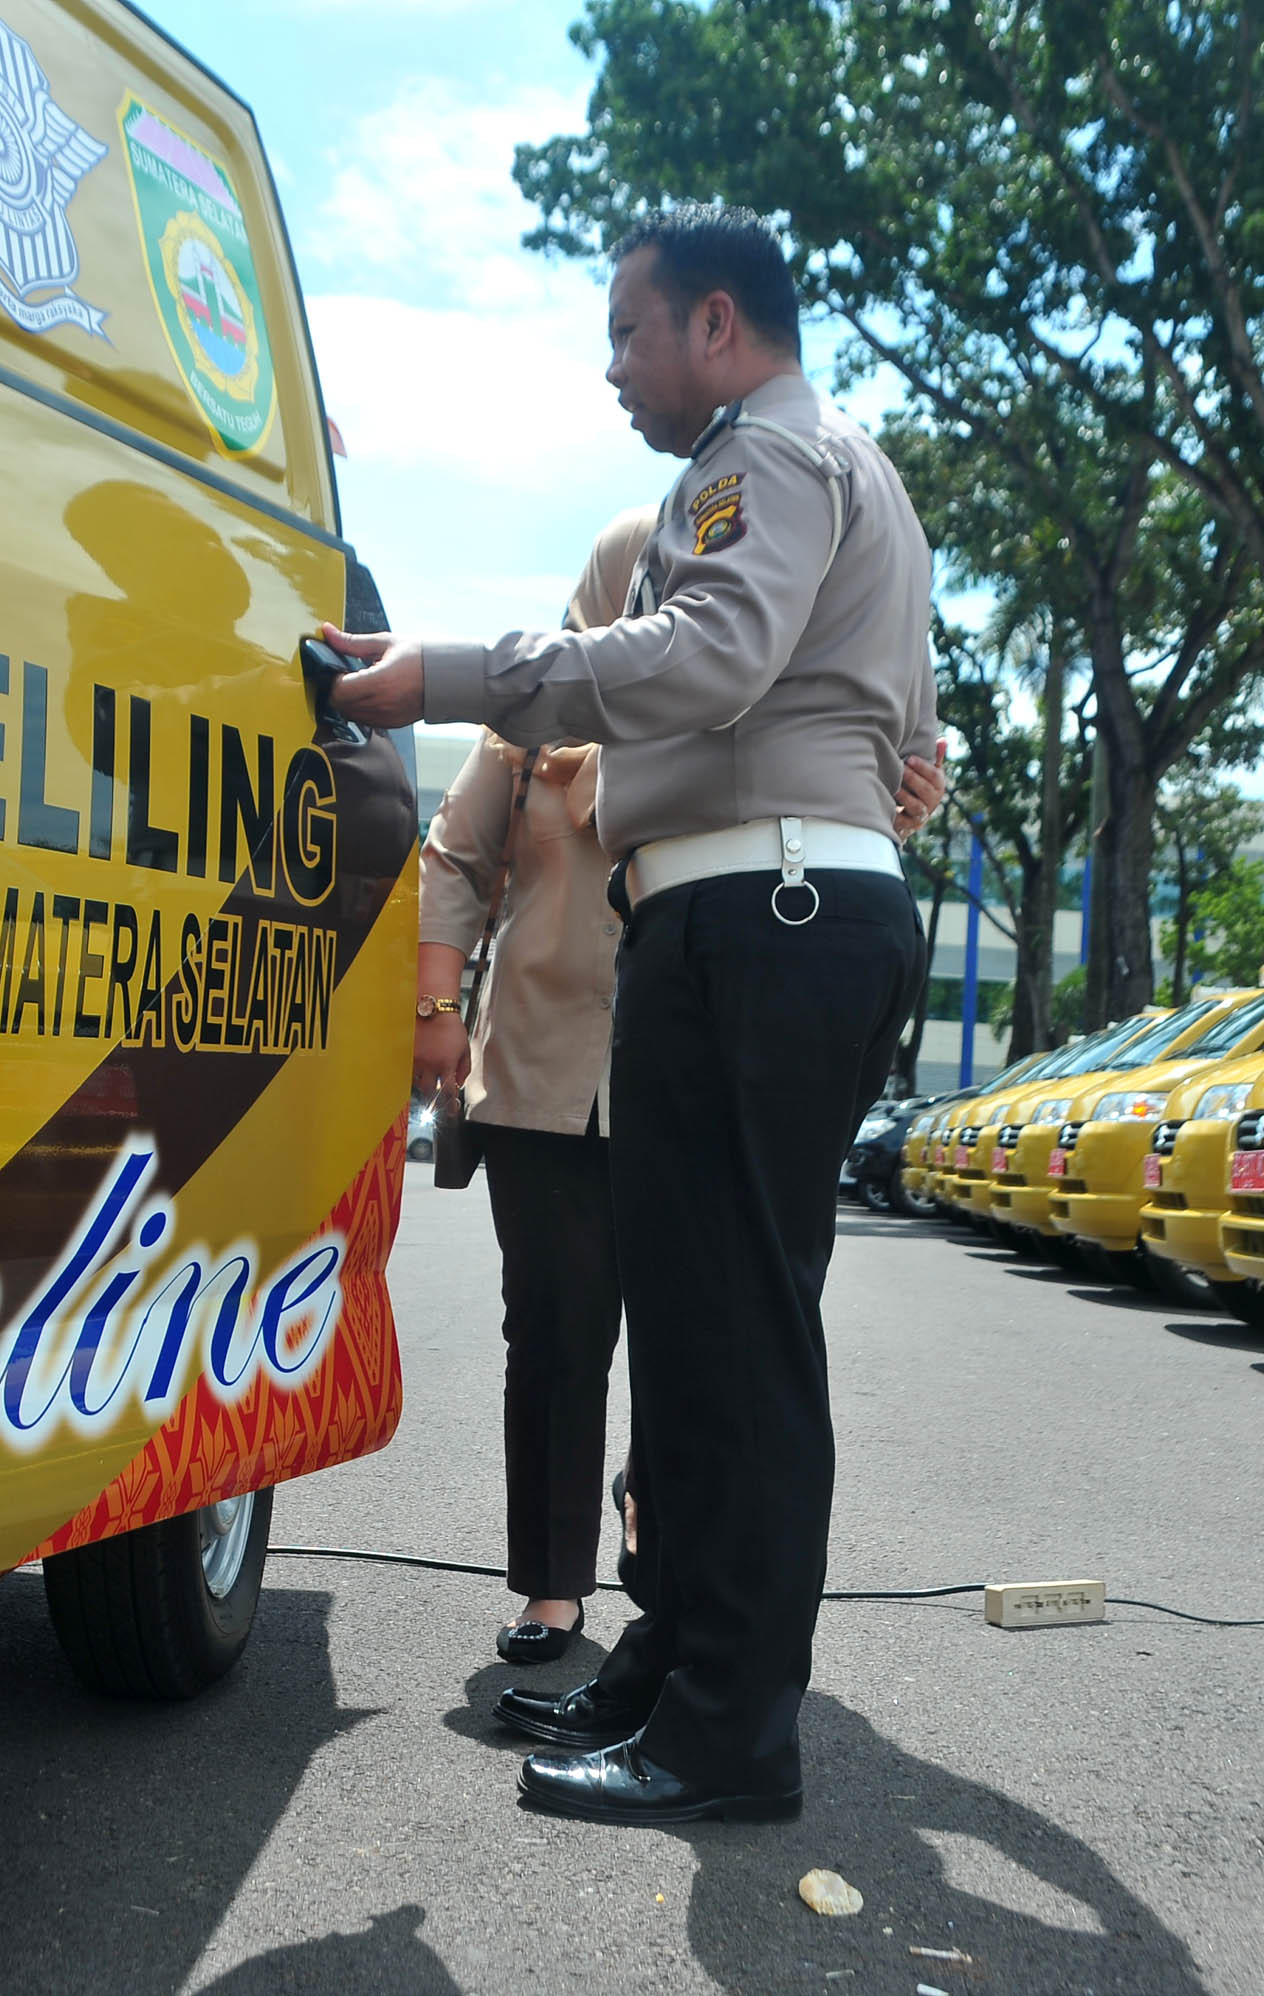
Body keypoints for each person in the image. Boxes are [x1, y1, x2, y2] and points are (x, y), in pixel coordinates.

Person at [325, 204, 939, 1827]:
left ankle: (732, 1728)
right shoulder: (836, 467)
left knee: (730, 1344)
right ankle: (679, 1659)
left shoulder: (761, 460)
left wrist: (447, 671)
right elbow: (894, 733)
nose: (614, 369)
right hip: (761, 910)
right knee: (692, 1342)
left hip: (765, 917)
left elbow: (706, 657)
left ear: (717, 324)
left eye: (629, 333)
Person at [418, 509, 652, 1667]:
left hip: (675, 1079)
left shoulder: (721, 713)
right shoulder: (523, 729)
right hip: (539, 1075)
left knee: (683, 1333)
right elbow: (456, 859)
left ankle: (655, 1521)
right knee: (557, 1334)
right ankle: (551, 1587)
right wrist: (438, 1008)